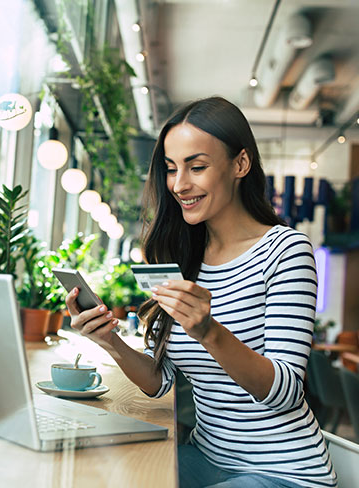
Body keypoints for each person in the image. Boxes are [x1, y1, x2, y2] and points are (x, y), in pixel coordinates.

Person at [65, 96, 337, 488]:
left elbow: (285, 392)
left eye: (197, 167)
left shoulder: (286, 251)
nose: (179, 184)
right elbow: (161, 381)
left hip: (283, 473)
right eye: (172, 169)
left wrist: (208, 330)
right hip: (207, 457)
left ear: (240, 164)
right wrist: (110, 342)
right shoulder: (185, 257)